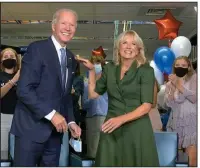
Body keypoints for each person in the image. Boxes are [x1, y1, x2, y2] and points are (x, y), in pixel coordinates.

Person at [10, 8, 81, 167]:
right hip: (30, 130)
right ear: (53, 26)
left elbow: (65, 96)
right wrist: (52, 114)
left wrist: (71, 122)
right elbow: (24, 89)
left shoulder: (70, 58)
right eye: (64, 23)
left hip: (55, 136)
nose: (68, 28)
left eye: (72, 25)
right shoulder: (37, 49)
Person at [77, 30, 159, 166]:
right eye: (124, 43)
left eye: (133, 44)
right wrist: (91, 71)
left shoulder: (146, 71)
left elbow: (146, 106)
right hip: (111, 129)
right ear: (118, 48)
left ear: (139, 49)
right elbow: (93, 94)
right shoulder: (109, 69)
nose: (128, 47)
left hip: (137, 129)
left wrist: (120, 120)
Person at [164, 56, 197, 167]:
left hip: (190, 121)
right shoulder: (170, 83)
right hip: (176, 120)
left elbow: (194, 98)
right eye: (177, 65)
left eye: (183, 65)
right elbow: (169, 104)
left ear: (188, 67)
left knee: (191, 157)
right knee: (174, 156)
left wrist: (179, 85)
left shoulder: (194, 78)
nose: (180, 68)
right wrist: (172, 86)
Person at [82, 46, 108, 158]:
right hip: (92, 118)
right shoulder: (86, 82)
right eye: (94, 62)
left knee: (105, 150)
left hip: (106, 117)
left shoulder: (108, 80)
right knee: (93, 150)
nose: (96, 65)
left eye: (98, 62)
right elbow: (84, 104)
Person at [0, 48, 20, 159]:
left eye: (11, 56)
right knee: (3, 152)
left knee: (17, 151)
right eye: (5, 57)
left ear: (16, 60)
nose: (9, 58)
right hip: (3, 117)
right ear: (1, 61)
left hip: (20, 118)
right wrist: (13, 81)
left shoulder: (24, 75)